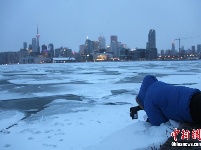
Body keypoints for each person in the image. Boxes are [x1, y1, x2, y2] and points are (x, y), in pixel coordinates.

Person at [135, 75, 201, 126]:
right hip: (195, 95)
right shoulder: (157, 86)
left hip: (192, 108)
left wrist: (149, 120)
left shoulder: (148, 101)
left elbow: (159, 124)